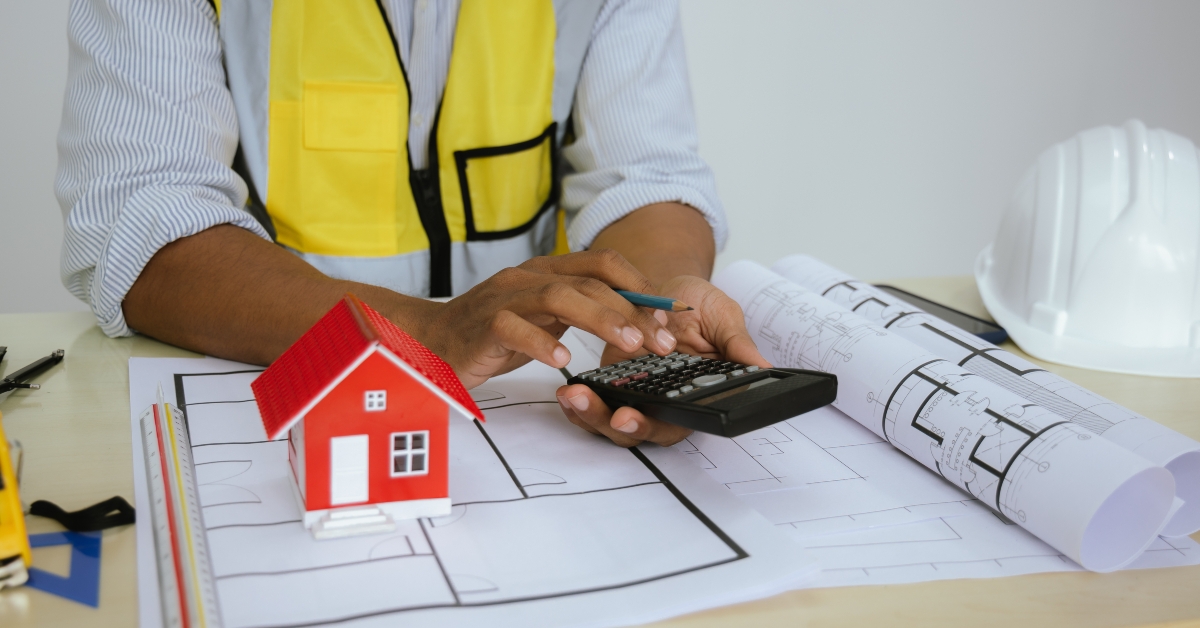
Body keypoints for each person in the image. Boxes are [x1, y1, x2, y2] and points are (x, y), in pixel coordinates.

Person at [56, 0, 767, 448]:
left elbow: (645, 175)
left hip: (527, 410)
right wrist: (422, 335)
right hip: (269, 393)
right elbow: (140, 224)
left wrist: (658, 311)